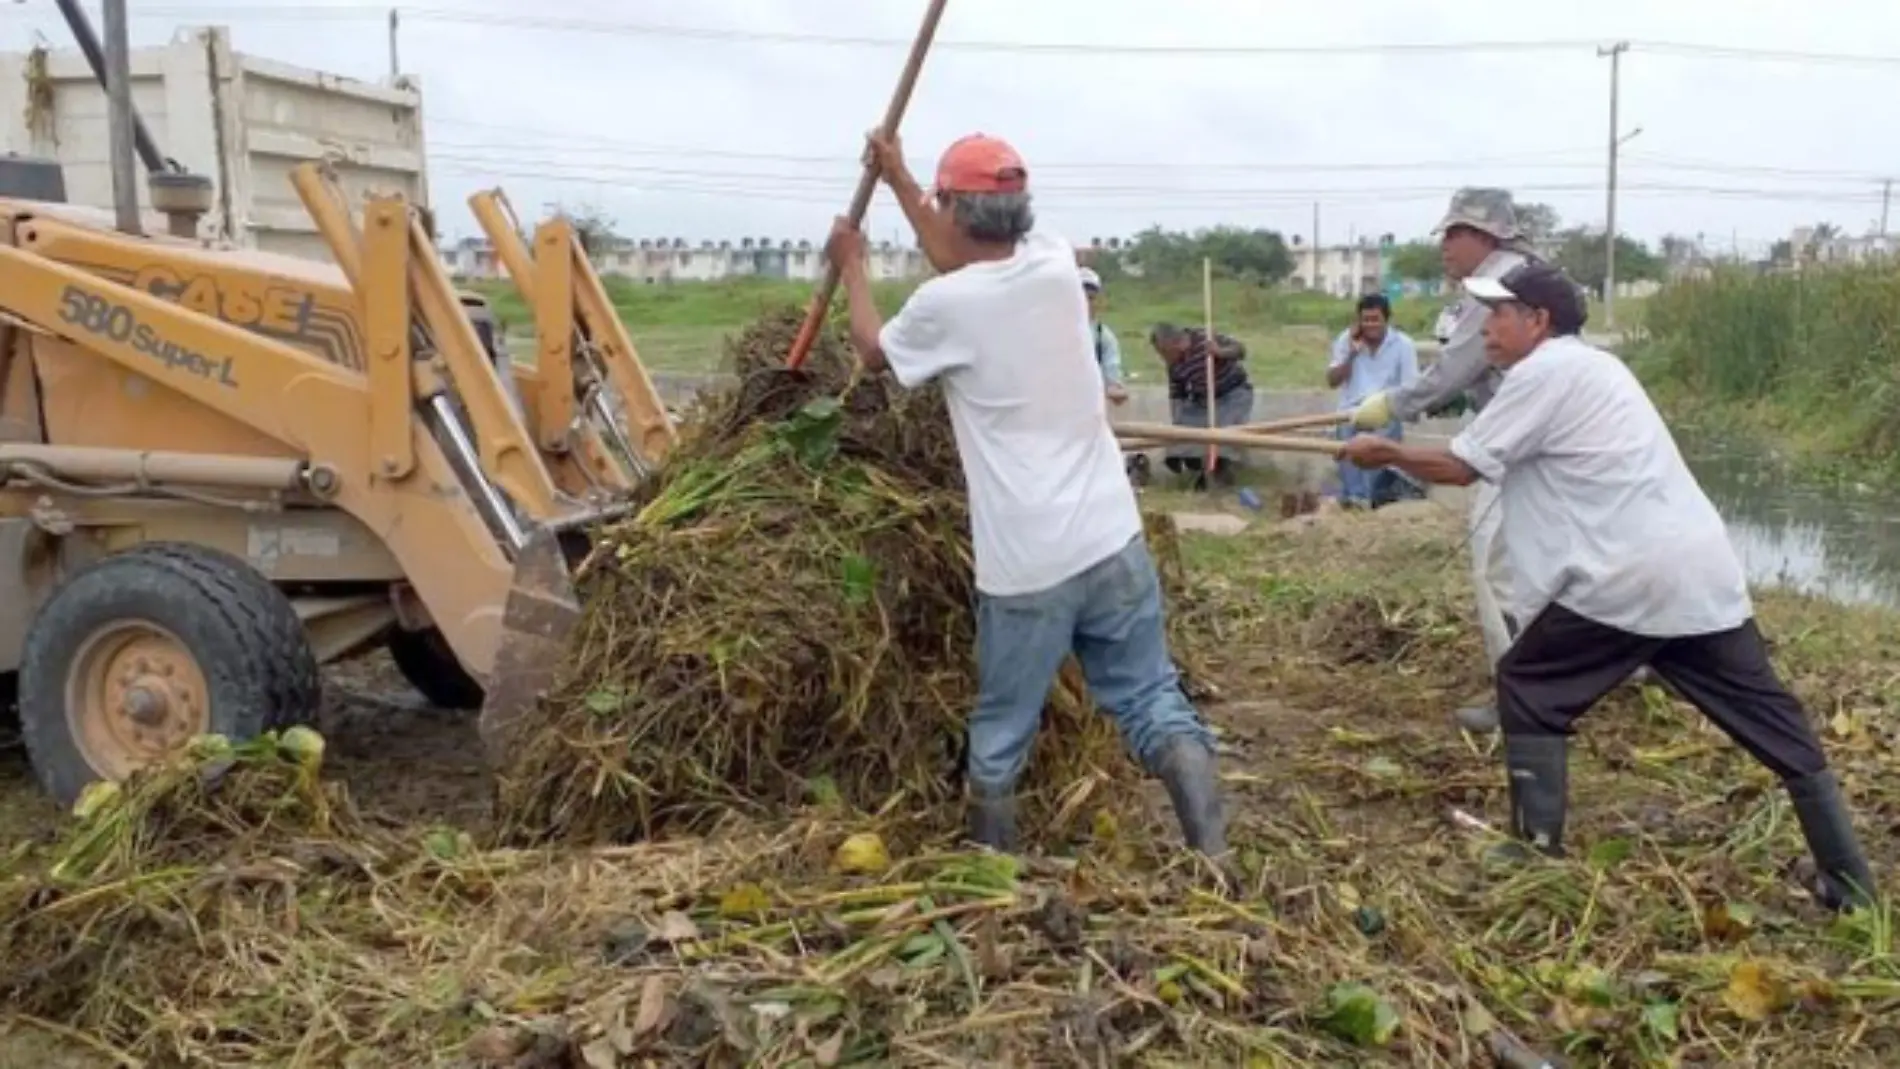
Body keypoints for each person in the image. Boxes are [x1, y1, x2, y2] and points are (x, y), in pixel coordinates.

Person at [1339, 261, 1878, 912]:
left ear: (1537, 321)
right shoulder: (1595, 370)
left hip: (1622, 578)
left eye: (1498, 313)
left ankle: (1536, 853)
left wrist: (1387, 452)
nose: (1486, 328)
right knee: (1773, 720)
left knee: (1529, 685)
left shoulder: (1546, 371)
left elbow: (1459, 465)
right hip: (1697, 574)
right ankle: (1852, 887)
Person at [823, 128, 1228, 858]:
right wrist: (900, 178)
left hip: (1028, 560)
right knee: (1150, 700)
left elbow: (875, 351)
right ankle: (1213, 853)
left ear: (952, 208)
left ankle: (995, 880)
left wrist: (851, 266)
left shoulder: (945, 306)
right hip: (1112, 535)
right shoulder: (1052, 262)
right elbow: (961, 246)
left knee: (1002, 730)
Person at [1346, 188, 1535, 734]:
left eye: (1454, 233)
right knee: (1564, 562)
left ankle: (1517, 699)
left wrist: (1390, 409)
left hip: (1515, 440)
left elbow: (1454, 368)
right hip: (1534, 432)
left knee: (1496, 566)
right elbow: (1471, 369)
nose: (1444, 245)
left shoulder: (1500, 284)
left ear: (1486, 235)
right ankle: (1619, 661)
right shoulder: (1519, 274)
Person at [1326, 293, 1418, 508]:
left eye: (1375, 319)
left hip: (1385, 410)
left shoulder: (1403, 345)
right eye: (1366, 320)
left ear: (1386, 320)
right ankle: (1354, 498)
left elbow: (1410, 386)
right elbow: (1332, 381)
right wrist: (1351, 354)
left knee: (1376, 442)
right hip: (1350, 411)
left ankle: (1368, 499)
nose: (1370, 325)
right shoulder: (1346, 341)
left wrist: (1392, 409)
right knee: (1346, 438)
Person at [1149, 323, 1253, 489]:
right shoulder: (1174, 365)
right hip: (1202, 401)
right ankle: (1192, 466)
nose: (1163, 358)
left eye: (1164, 352)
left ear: (1174, 343)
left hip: (1232, 394)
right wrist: (1177, 426)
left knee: (1224, 435)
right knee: (1185, 431)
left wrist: (1219, 352)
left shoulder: (1204, 337)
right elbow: (1177, 394)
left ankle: (1222, 472)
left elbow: (1240, 350)